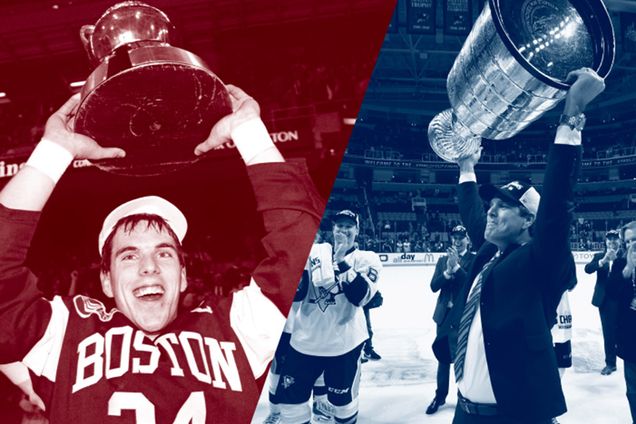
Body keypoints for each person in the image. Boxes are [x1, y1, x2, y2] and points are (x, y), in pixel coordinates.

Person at [0, 86, 324, 423]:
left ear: (183, 275)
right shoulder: (67, 333)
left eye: (164, 253)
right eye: (129, 256)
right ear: (106, 282)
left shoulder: (237, 325)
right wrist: (54, 151)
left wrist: (248, 131)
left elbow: (303, 252)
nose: (149, 267)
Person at [432, 68, 606, 423]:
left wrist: (571, 115)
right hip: (465, 414)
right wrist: (466, 166)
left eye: (502, 209)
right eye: (491, 209)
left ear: (529, 220)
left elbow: (557, 203)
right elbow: (473, 215)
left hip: (515, 416)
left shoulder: (538, 261)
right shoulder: (488, 253)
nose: (491, 215)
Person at [277, 210, 382, 424]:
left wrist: (341, 262)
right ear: (332, 229)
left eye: (348, 226)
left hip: (343, 346)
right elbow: (296, 292)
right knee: (290, 406)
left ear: (357, 231)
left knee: (344, 407)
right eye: (339, 226)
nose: (343, 230)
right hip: (304, 343)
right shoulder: (314, 253)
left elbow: (360, 297)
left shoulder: (367, 259)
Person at [426, 225, 476, 415]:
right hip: (444, 316)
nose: (457, 240)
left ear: (467, 239)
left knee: (464, 357)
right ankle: (440, 395)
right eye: (454, 237)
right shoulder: (442, 260)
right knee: (443, 356)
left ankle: (462, 396)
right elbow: (433, 286)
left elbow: (470, 284)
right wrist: (447, 272)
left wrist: (456, 267)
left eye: (461, 237)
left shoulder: (473, 259)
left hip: (463, 315)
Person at [608, 221, 636, 423]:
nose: (632, 244)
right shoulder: (620, 264)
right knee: (633, 392)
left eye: (635, 239)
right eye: (628, 241)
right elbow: (611, 293)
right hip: (631, 340)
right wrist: (628, 269)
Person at [584, 229, 622, 375]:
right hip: (605, 301)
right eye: (609, 239)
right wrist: (603, 261)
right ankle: (611, 363)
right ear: (605, 241)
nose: (612, 241)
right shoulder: (599, 256)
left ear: (619, 241)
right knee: (609, 333)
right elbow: (587, 269)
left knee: (627, 329)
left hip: (623, 300)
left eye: (615, 239)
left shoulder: (625, 256)